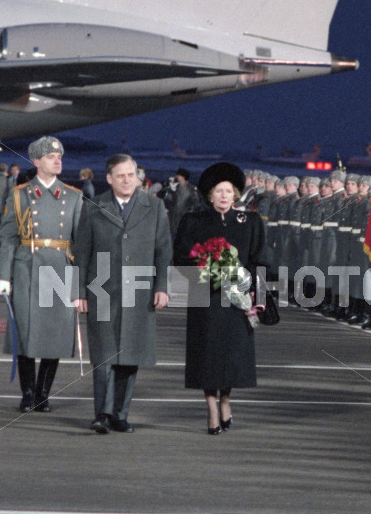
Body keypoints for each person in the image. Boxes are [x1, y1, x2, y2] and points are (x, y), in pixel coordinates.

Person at [72, 153, 172, 434]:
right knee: (104, 353)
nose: (128, 180)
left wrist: (162, 286)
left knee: (130, 352)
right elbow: (81, 252)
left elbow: (163, 250)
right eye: (121, 175)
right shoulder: (94, 205)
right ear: (109, 179)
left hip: (140, 289)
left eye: (132, 174)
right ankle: (102, 414)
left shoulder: (154, 206)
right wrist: (78, 291)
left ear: (138, 177)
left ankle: (120, 414)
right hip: (101, 288)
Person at [173, 162, 266, 434]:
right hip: (206, 298)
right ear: (210, 195)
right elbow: (180, 257)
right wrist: (205, 270)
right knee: (207, 354)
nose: (224, 196)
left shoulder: (250, 222)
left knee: (231, 355)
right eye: (218, 191)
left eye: (228, 191)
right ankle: (211, 407)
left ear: (235, 194)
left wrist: (257, 296)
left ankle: (225, 399)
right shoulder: (194, 221)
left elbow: (260, 261)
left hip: (237, 301)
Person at [0, 136, 83, 413]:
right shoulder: (20, 194)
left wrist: (81, 285)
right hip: (27, 267)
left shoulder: (74, 196)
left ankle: (44, 392)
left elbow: (80, 243)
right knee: (26, 331)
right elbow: (8, 237)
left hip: (59, 267)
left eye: (59, 156)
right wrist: (3, 275)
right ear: (36, 162)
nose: (58, 160)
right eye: (51, 156)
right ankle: (28, 393)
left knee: (54, 332)